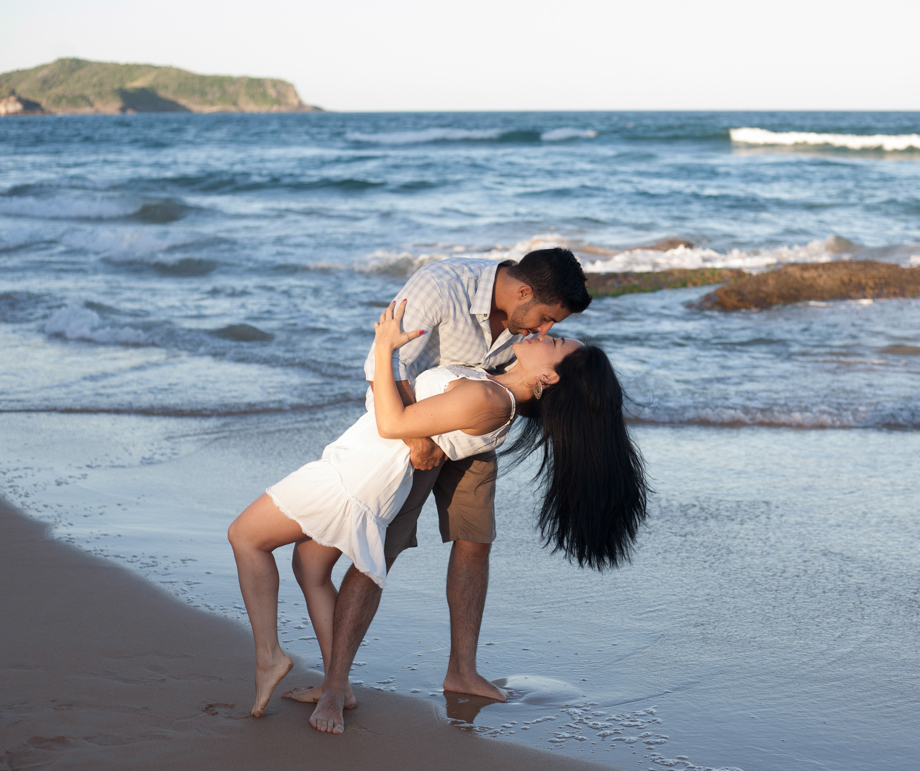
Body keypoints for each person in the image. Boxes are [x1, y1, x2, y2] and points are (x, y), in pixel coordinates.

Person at [227, 300, 648, 733]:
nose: (543, 334)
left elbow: (393, 425)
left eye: (554, 340)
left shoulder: (488, 397)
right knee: (310, 566)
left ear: (549, 376)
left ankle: (270, 656)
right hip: (359, 467)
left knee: (245, 536)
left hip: (352, 477)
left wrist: (384, 347)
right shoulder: (495, 387)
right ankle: (340, 686)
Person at [285, 249, 592, 714]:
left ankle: (461, 669)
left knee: (475, 540)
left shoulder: (526, 328)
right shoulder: (441, 286)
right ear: (523, 292)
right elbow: (381, 368)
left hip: (481, 425)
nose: (543, 330)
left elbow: (530, 385)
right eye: (546, 318)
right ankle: (336, 683)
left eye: (552, 327)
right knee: (379, 552)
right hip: (418, 432)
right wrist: (415, 441)